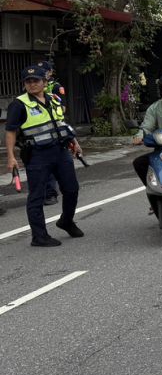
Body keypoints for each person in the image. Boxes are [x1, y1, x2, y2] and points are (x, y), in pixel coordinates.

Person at [4, 65, 84, 247]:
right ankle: (39, 236)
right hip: (37, 155)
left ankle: (66, 221)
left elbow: (60, 123)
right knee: (37, 195)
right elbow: (10, 132)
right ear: (24, 84)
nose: (32, 84)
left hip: (61, 151)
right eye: (28, 81)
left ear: (45, 82)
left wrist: (74, 142)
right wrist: (11, 156)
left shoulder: (53, 99)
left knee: (71, 189)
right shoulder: (19, 104)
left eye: (36, 81)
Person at [36, 60, 64, 205]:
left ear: (50, 72)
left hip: (54, 130)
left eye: (45, 71)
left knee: (52, 164)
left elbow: (62, 110)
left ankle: (52, 193)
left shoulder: (55, 87)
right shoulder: (32, 88)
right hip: (37, 132)